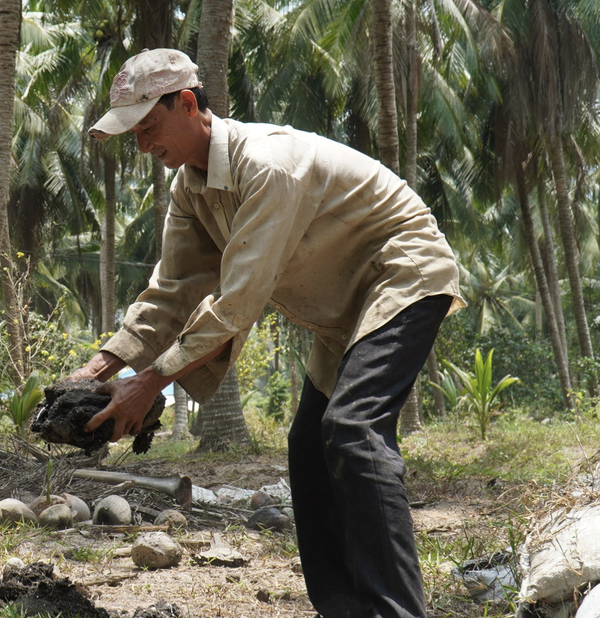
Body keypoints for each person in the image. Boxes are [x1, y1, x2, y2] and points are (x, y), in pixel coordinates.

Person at [69, 48, 464, 618]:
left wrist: (148, 383)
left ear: (187, 105)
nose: (143, 146)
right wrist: (98, 370)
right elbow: (171, 291)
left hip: (401, 274)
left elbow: (236, 304)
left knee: (353, 430)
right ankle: (342, 607)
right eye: (132, 135)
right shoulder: (191, 188)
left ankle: (395, 611)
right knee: (308, 447)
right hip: (344, 312)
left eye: (149, 128)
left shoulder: (269, 165)